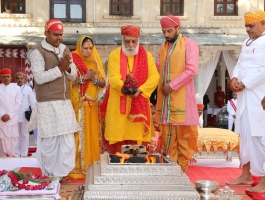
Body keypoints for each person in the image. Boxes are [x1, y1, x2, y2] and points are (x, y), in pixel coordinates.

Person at [28, 19, 81, 178]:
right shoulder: (37, 52)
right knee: (50, 142)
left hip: (64, 103)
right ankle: (49, 175)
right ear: (46, 33)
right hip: (47, 103)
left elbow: (73, 75)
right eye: (55, 34)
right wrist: (60, 68)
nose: (59, 38)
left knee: (66, 141)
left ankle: (62, 174)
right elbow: (39, 78)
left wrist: (69, 67)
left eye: (61, 35)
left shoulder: (64, 49)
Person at [103, 25, 160, 154]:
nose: (130, 45)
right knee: (118, 141)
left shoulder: (147, 56)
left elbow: (154, 77)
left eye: (134, 41)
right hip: (119, 104)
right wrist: (125, 88)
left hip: (139, 103)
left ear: (138, 40)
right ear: (122, 40)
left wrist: (140, 90)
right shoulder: (114, 55)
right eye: (127, 41)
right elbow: (113, 78)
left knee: (138, 144)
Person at [227, 10, 265, 195]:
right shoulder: (246, 42)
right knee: (245, 135)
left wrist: (245, 83)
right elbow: (240, 64)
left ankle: (263, 182)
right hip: (244, 96)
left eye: (252, 26)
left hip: (259, 96)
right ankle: (246, 174)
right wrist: (234, 78)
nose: (248, 29)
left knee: (260, 138)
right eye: (246, 26)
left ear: (263, 24)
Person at [156, 16, 199, 172]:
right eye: (164, 31)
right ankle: (171, 172)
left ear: (178, 28)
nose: (166, 35)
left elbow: (191, 70)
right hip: (166, 103)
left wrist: (172, 86)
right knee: (167, 138)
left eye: (169, 31)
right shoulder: (163, 47)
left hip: (184, 102)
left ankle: (182, 173)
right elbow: (158, 69)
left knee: (185, 138)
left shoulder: (190, 45)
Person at [70, 35, 106, 178]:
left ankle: (93, 164)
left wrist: (94, 78)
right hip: (80, 104)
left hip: (94, 105)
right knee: (80, 136)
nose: (89, 51)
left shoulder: (95, 61)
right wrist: (85, 77)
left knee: (93, 134)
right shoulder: (73, 60)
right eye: (85, 48)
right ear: (80, 48)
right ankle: (78, 166)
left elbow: (103, 83)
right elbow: (71, 82)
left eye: (91, 48)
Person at [0, 68, 22, 157]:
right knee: (2, 140)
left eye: (8, 76)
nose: (6, 78)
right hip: (1, 119)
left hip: (12, 119)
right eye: (4, 77)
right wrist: (2, 115)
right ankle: (2, 160)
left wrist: (9, 115)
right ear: (1, 78)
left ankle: (13, 158)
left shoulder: (16, 88)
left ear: (11, 77)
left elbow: (18, 103)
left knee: (13, 138)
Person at [15, 71, 36, 157]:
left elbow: (33, 102)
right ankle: (16, 153)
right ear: (15, 79)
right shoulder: (12, 87)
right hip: (14, 115)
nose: (20, 80)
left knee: (24, 134)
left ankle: (23, 153)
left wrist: (35, 113)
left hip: (25, 115)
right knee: (15, 135)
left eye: (21, 78)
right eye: (18, 78)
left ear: (24, 79)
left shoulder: (28, 89)